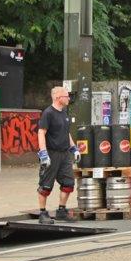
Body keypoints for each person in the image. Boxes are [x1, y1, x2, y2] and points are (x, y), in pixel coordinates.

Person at [37, 86, 81, 224]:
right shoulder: (48, 113)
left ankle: (61, 211)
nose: (68, 98)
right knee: (45, 186)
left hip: (65, 154)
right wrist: (43, 153)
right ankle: (42, 213)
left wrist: (74, 148)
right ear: (57, 97)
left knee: (68, 183)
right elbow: (41, 132)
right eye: (66, 96)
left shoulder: (64, 113)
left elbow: (66, 133)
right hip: (51, 153)